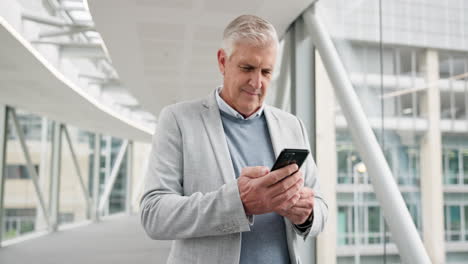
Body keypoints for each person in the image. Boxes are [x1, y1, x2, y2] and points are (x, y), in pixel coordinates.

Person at [140, 14, 328, 264]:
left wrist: (306, 214)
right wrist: (238, 203)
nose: (256, 82)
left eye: (266, 71)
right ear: (222, 61)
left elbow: (321, 207)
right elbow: (154, 214)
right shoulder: (178, 120)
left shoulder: (292, 126)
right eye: (247, 68)